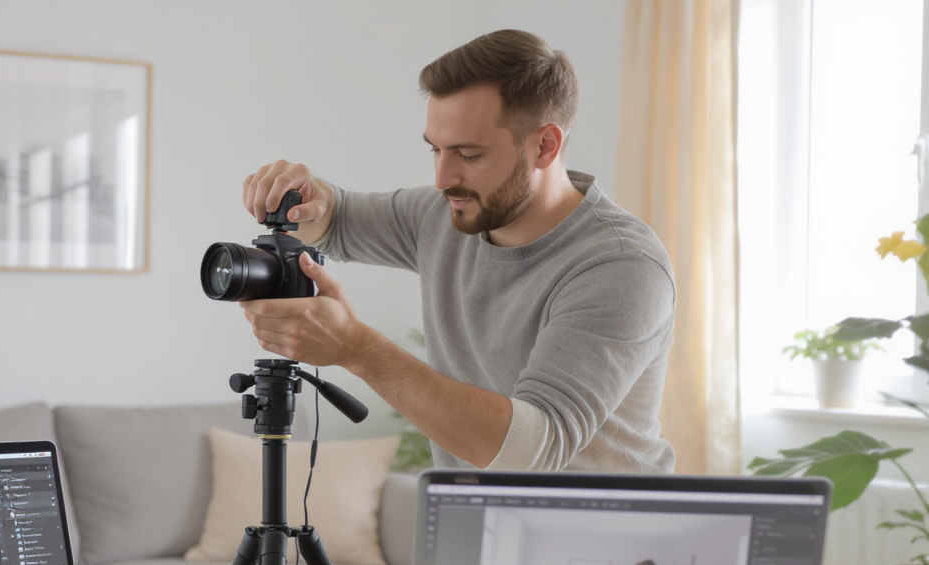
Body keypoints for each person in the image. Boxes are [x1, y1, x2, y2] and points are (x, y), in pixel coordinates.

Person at [238, 30, 676, 472]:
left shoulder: (620, 265)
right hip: (472, 526)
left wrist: (359, 350)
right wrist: (304, 194)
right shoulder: (445, 213)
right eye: (436, 149)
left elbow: (532, 450)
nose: (443, 178)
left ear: (545, 146)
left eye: (468, 154)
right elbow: (337, 217)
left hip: (599, 534)